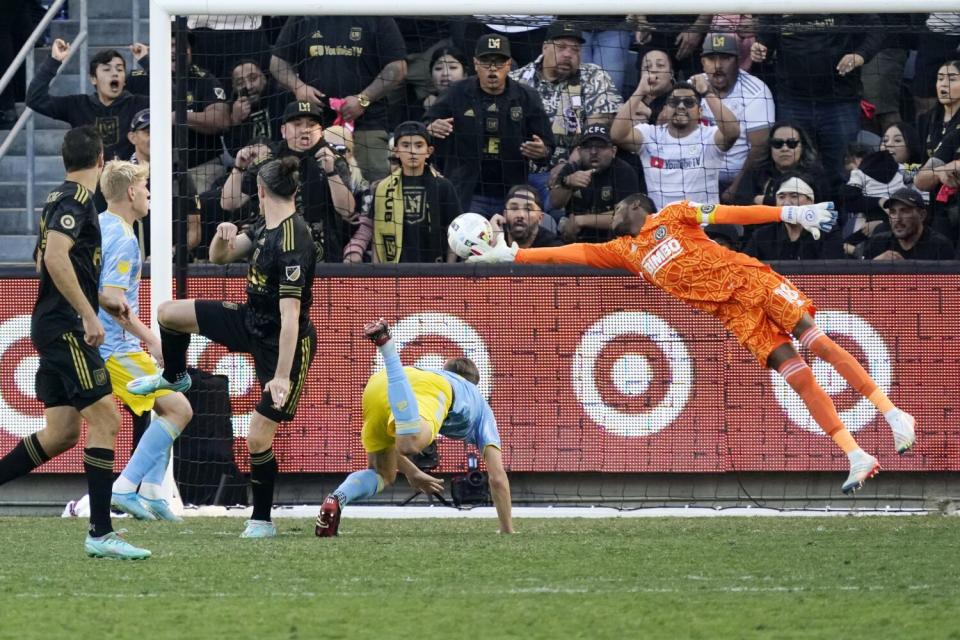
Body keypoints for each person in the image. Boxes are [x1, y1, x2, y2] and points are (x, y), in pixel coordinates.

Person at [469, 194, 917, 494]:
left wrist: (790, 213)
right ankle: (856, 454)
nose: (613, 215)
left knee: (816, 343)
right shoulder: (627, 251)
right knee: (797, 378)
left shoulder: (675, 214)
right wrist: (516, 255)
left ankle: (894, 414)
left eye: (618, 209)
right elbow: (576, 252)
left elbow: (729, 214)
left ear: (634, 207)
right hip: (731, 313)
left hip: (749, 281)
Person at [127, 156, 318, 538]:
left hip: (284, 343)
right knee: (168, 314)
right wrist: (221, 234)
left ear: (260, 190)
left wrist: (281, 376)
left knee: (258, 437)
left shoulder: (295, 240)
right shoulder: (265, 224)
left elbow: (292, 317)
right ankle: (175, 377)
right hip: (251, 319)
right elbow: (219, 257)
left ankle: (262, 520)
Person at [0, 127, 150, 559]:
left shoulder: (55, 199)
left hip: (52, 322)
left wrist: (83, 296)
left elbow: (40, 259)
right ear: (101, 159)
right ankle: (101, 533)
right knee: (107, 421)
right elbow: (51, 257)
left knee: (62, 432)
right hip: (65, 326)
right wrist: (86, 314)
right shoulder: (78, 202)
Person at [316, 318, 512, 537]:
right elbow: (497, 478)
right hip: (418, 387)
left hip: (377, 385)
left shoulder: (432, 373)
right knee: (409, 443)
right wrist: (506, 529)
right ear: (473, 383)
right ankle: (388, 349)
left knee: (382, 472)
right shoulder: (478, 402)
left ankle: (336, 500)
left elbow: (392, 448)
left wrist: (413, 472)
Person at [95, 160, 194, 521]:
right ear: (132, 192)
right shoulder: (123, 238)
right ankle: (125, 488)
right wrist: (153, 339)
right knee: (180, 409)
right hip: (114, 348)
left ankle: (152, 492)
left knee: (165, 410)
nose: (150, 192)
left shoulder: (101, 226)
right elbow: (112, 298)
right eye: (146, 186)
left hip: (108, 344)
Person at [425, 34, 555, 216]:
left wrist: (542, 151)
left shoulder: (527, 96)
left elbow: (548, 144)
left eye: (499, 63)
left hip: (511, 193)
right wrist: (432, 128)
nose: (492, 69)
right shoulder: (456, 92)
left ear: (509, 64)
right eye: (486, 62)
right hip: (468, 191)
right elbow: (426, 126)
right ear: (476, 64)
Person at [270, 15, 408, 182]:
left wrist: (364, 99)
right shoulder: (304, 14)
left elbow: (398, 68)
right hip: (313, 124)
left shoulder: (374, 13)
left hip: (367, 124)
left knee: (374, 189)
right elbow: (277, 63)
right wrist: (298, 86)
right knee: (313, 187)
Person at [750, 14, 885, 178]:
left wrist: (860, 55)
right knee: (794, 172)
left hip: (840, 101)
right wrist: (760, 48)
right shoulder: (776, 5)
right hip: (793, 101)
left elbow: (877, 29)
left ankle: (841, 204)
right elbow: (766, 38)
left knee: (842, 170)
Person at [221, 101, 355, 262]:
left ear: (320, 131)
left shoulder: (333, 158)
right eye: (297, 124)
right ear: (283, 131)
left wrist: (331, 172)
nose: (305, 129)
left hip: (323, 256)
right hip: (274, 254)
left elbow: (347, 210)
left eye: (312, 124)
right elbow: (229, 203)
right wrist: (238, 168)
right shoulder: (268, 160)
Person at [509, 21, 623, 195]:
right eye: (561, 47)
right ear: (545, 47)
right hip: (517, 171)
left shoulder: (593, 76)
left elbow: (596, 131)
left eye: (575, 49)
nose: (568, 54)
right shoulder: (517, 81)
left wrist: (568, 168)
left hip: (574, 172)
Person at [345, 121, 462, 263]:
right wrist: (377, 272)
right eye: (405, 145)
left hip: (435, 269)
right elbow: (377, 234)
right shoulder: (382, 188)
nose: (412, 151)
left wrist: (450, 269)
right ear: (396, 151)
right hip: (395, 270)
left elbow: (455, 231)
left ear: (429, 151)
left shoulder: (444, 186)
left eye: (419, 145)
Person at [611, 79, 739, 209]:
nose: (681, 106)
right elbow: (617, 135)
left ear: (700, 112)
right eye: (674, 102)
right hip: (662, 225)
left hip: (702, 225)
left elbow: (733, 132)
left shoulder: (709, 136)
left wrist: (707, 93)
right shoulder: (650, 134)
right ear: (665, 110)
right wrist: (640, 91)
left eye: (689, 103)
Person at [127, 38, 232, 193]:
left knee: (196, 211)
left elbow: (221, 120)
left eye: (179, 46)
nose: (173, 50)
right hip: (147, 171)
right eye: (168, 46)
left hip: (200, 169)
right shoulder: (136, 79)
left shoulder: (204, 79)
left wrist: (179, 117)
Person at [26, 42, 150, 161]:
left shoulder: (138, 104)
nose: (115, 74)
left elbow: (168, 99)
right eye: (107, 70)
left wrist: (146, 61)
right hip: (88, 181)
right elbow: (35, 99)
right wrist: (54, 61)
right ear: (93, 79)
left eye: (119, 69)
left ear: (124, 80)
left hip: (131, 179)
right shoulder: (77, 105)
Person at [696, 33, 775, 202]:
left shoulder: (757, 91)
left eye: (725, 58)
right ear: (703, 63)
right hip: (697, 177)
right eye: (711, 59)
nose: (717, 65)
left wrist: (737, 187)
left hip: (742, 177)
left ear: (738, 61)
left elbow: (760, 148)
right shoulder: (692, 86)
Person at [550, 124, 639, 243]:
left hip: (613, 241)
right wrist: (567, 184)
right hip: (577, 240)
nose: (593, 152)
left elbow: (626, 216)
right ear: (579, 151)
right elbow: (555, 203)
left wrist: (581, 220)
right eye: (587, 146)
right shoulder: (571, 169)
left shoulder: (624, 171)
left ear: (613, 151)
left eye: (601, 146)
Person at [731, 122, 831, 208]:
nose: (784, 148)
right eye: (777, 143)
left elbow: (820, 206)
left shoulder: (815, 174)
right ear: (770, 147)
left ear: (802, 147)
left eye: (792, 143)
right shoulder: (757, 171)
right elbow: (741, 202)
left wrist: (765, 201)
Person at [744, 174, 844, 261]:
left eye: (794, 196)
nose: (787, 203)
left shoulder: (828, 233)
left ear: (811, 201)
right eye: (781, 197)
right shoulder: (761, 236)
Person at [222, 58, 291, 155]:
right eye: (240, 83)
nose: (249, 86)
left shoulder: (283, 97)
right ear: (234, 88)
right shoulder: (232, 109)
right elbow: (234, 152)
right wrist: (235, 121)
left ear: (263, 78)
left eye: (253, 78)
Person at [863, 188, 955, 260]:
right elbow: (860, 282)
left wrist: (906, 270)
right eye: (892, 212)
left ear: (922, 215)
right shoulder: (877, 243)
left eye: (905, 211)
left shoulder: (940, 247)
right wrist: (874, 266)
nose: (897, 219)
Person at [491, 184, 563, 249]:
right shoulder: (493, 236)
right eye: (514, 208)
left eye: (528, 209)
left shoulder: (554, 248)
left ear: (540, 218)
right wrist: (491, 240)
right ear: (505, 215)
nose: (520, 215)